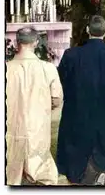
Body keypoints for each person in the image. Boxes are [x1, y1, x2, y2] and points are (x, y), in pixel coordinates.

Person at [57, 15, 105, 186]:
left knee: (74, 135)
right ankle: (104, 169)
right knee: (103, 133)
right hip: (103, 108)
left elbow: (62, 81)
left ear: (88, 31)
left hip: (77, 108)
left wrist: (74, 96)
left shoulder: (71, 54)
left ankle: (84, 171)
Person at [6, 26, 63, 185]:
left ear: (17, 43)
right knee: (45, 175)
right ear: (36, 42)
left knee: (10, 174)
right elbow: (57, 98)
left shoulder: (6, 69)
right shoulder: (48, 68)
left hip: (11, 129)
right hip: (37, 129)